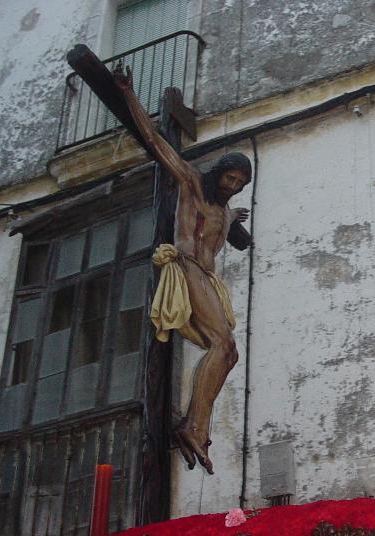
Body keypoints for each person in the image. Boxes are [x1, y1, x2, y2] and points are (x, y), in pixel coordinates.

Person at [114, 65, 250, 474]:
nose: (231, 186)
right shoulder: (191, 182)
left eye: (239, 184)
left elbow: (229, 227)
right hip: (185, 268)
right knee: (223, 345)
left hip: (207, 278)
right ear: (218, 171)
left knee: (229, 353)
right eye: (229, 178)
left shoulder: (225, 212)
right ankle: (192, 427)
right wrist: (128, 94)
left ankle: (195, 425)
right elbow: (156, 142)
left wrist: (235, 220)